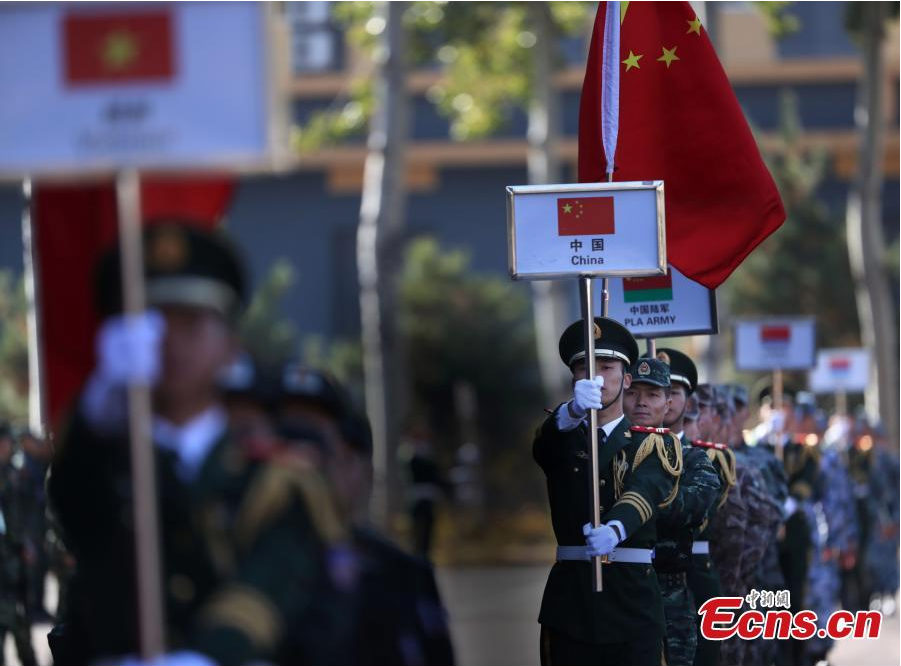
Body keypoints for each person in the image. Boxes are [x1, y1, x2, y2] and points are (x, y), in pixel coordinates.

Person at [48, 222, 351, 666]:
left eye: (191, 324)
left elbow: (268, 588)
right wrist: (98, 408)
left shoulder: (276, 480)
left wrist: (201, 658)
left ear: (230, 346)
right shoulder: (102, 463)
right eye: (151, 323)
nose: (170, 341)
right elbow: (74, 504)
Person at [533, 317, 680, 666]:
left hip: (632, 605)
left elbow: (646, 489)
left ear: (626, 379)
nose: (595, 376)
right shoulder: (562, 434)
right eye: (584, 367)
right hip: (571, 605)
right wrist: (570, 413)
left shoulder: (651, 443)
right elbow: (544, 450)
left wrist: (616, 528)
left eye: (607, 366)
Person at [627, 354, 720, 666]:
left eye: (652, 394)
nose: (641, 402)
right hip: (615, 591)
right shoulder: (603, 453)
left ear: (668, 404)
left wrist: (630, 506)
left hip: (670, 592)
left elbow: (694, 507)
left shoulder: (692, 459)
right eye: (632, 393)